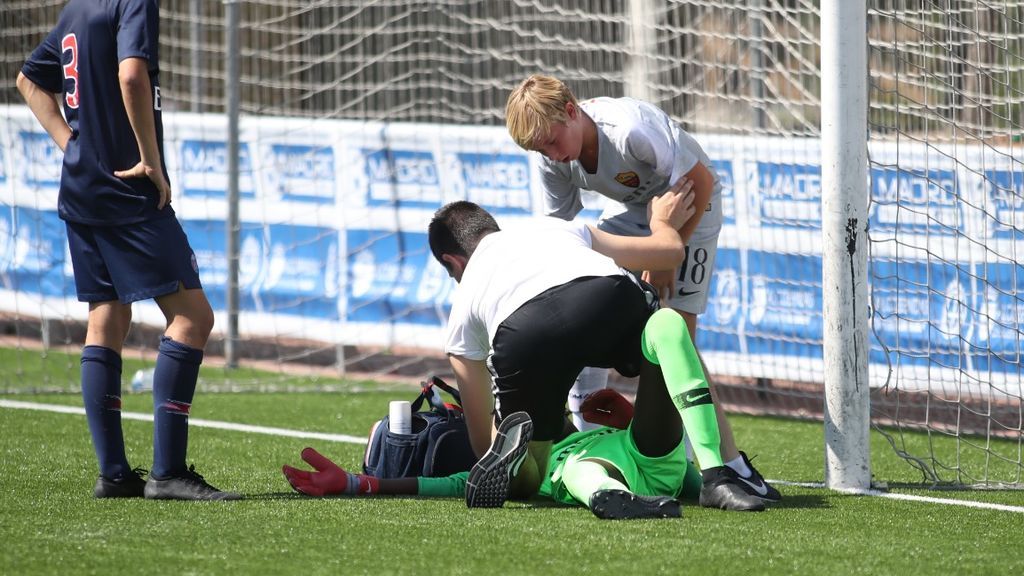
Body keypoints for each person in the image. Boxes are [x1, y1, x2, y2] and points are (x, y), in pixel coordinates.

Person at [505, 74, 779, 502]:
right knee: (583, 293)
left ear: (573, 111)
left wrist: (669, 251)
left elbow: (702, 183)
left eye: (552, 141)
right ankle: (588, 437)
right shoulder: (550, 157)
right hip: (637, 215)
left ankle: (727, 467)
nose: (551, 154)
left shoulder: (629, 129)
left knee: (679, 335)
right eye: (540, 149)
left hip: (693, 209)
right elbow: (559, 235)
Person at [17, 0, 239, 500]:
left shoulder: (78, 7)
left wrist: (71, 145)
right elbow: (132, 76)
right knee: (192, 318)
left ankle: (115, 474)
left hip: (82, 189)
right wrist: (150, 161)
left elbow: (28, 81)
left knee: (107, 319)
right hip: (125, 187)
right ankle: (168, 473)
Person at [426, 194, 764, 511]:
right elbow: (671, 251)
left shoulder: (464, 302)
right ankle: (716, 475)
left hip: (522, 338)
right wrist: (661, 220)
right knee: (668, 325)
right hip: (603, 296)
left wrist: (497, 435)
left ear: (452, 262)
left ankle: (524, 460)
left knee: (527, 480)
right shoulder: (554, 227)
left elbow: (480, 443)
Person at [282, 306, 765, 517]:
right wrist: (357, 483)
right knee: (580, 468)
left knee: (664, 321)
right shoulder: (514, 464)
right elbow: (435, 485)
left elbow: (684, 480)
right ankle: (608, 498)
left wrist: (629, 418)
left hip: (643, 454)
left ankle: (719, 473)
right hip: (609, 468)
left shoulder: (569, 435)